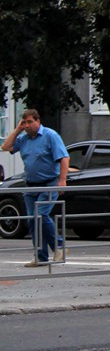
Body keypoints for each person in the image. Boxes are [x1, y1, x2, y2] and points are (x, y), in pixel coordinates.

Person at [1, 109, 69, 266]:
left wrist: (62, 180)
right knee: (32, 220)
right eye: (24, 123)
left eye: (30, 122)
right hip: (31, 185)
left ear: (38, 121)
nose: (27, 126)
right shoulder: (24, 139)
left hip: (49, 183)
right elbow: (5, 147)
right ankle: (41, 256)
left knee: (41, 215)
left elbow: (64, 157)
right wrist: (17, 129)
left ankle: (59, 246)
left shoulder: (50, 135)